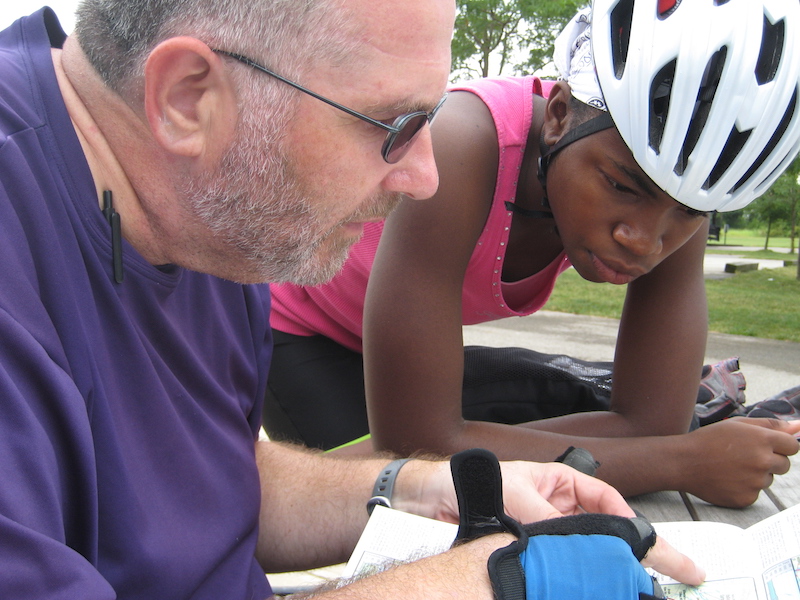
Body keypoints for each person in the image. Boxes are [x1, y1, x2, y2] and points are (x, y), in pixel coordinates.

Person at [0, 0, 706, 597]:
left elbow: (203, 479)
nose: (425, 177)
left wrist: (417, 490)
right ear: (189, 97)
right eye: (394, 126)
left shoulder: (209, 209)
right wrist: (493, 580)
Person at [265, 0, 800, 508]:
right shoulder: (462, 142)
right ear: (560, 115)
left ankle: (705, 409)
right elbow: (415, 447)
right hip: (303, 340)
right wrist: (678, 463)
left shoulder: (674, 188)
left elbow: (652, 421)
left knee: (623, 415)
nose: (644, 239)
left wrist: (663, 443)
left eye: (689, 213)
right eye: (622, 186)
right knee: (402, 495)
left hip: (404, 364)